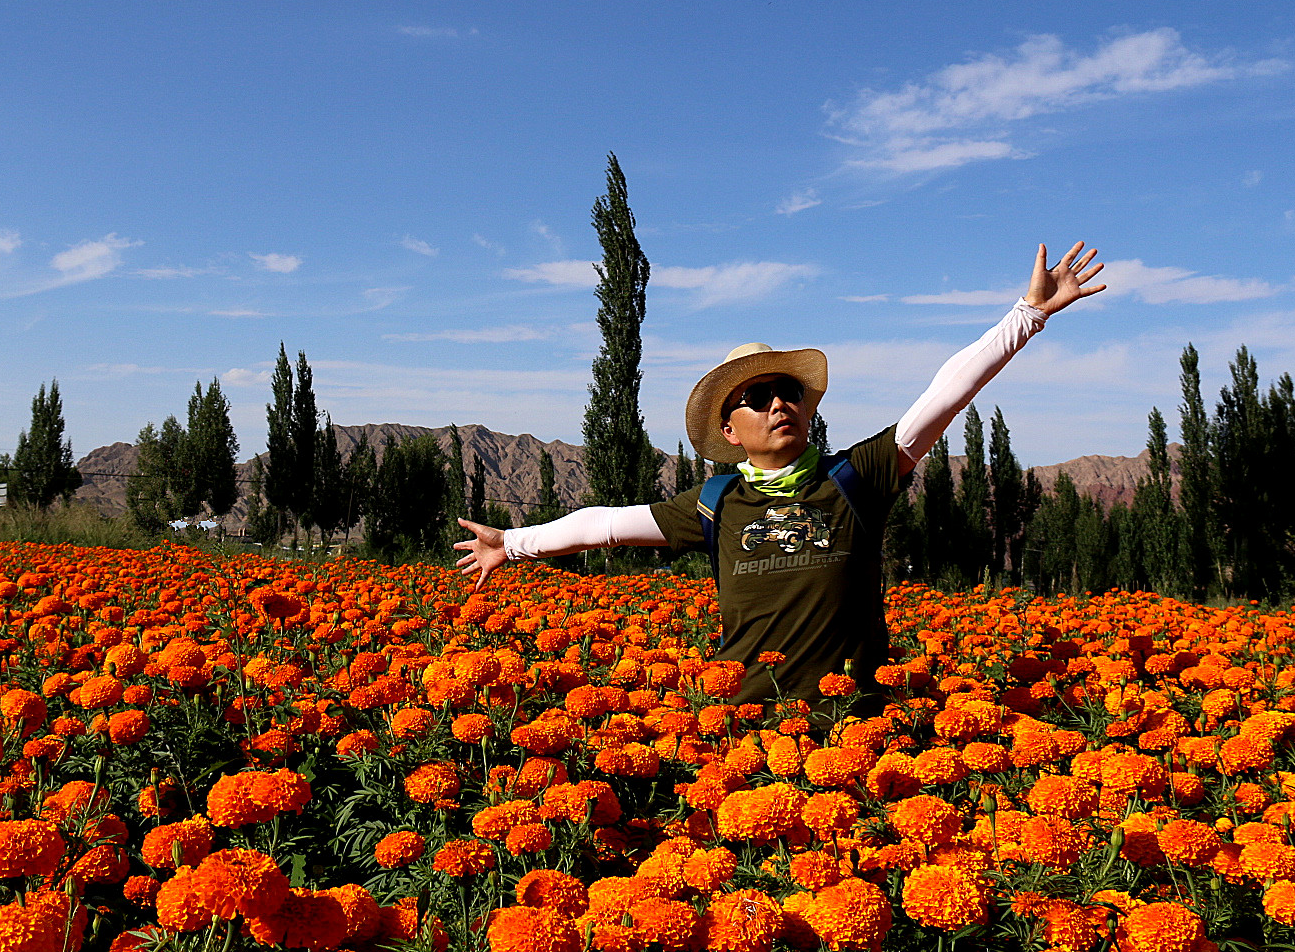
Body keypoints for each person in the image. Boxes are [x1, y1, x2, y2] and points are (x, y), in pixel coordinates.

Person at [455, 241, 1106, 709]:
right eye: (758, 396)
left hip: (855, 725)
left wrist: (1026, 316)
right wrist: (511, 543)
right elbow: (604, 526)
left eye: (788, 390)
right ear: (730, 432)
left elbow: (942, 397)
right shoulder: (714, 501)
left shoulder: (856, 478)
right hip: (748, 729)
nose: (778, 403)